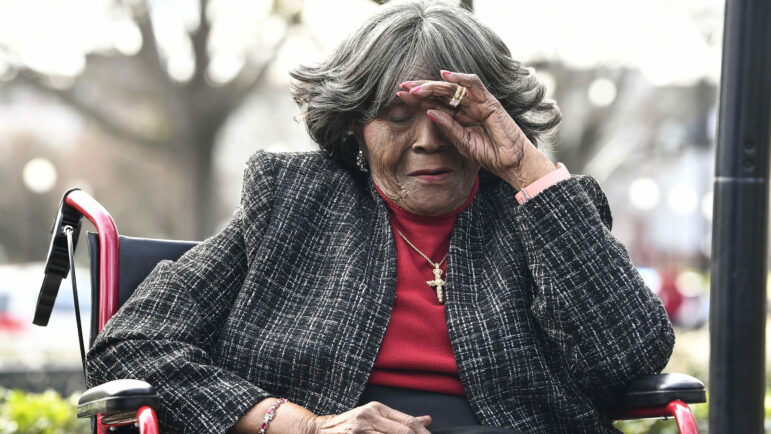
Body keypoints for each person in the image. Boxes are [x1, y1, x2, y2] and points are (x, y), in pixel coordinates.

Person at [86, 1, 675, 433]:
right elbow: (132, 343)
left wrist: (524, 166)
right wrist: (303, 426)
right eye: (397, 117)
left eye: (453, 114)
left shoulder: (544, 211)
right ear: (353, 126)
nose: (429, 140)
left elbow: (631, 356)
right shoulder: (291, 202)